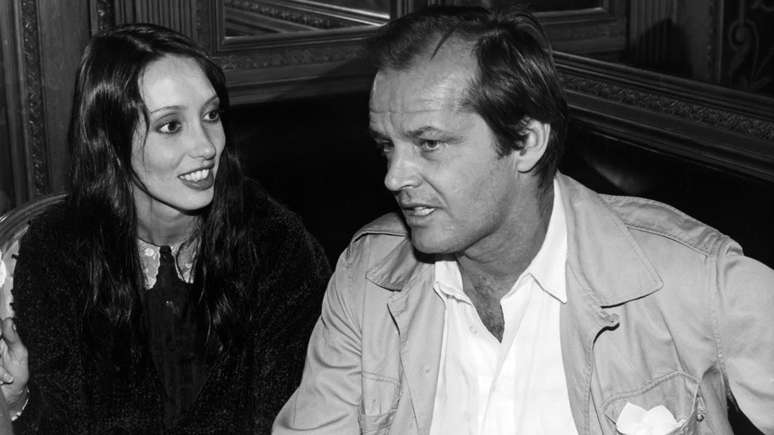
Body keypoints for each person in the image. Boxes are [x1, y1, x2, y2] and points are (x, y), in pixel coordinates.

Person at [273, 5, 774, 435]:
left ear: (526, 142)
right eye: (387, 145)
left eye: (429, 143)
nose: (394, 175)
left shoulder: (694, 280)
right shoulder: (368, 278)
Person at [0, 23, 330, 434]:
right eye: (171, 125)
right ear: (111, 141)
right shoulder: (57, 251)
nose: (206, 146)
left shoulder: (274, 241)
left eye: (211, 115)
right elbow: (58, 422)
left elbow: (297, 414)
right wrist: (18, 401)